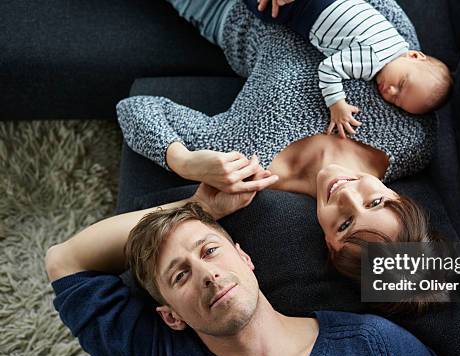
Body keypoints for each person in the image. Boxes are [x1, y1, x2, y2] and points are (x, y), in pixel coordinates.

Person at [117, 0, 443, 310]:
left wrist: (185, 162)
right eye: (375, 203)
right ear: (396, 196)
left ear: (330, 244)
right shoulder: (412, 136)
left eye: (344, 224)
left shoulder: (249, 170)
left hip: (223, 12)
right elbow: (388, 27)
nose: (347, 195)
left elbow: (134, 110)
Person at [45, 185, 460, 356]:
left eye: (210, 251)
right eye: (180, 277)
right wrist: (200, 207)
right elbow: (64, 260)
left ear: (246, 258)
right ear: (170, 316)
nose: (208, 276)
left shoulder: (373, 344)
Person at [246, 0, 453, 137]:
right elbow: (328, 69)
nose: (390, 92)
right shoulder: (373, 61)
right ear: (415, 55)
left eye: (398, 102)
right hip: (304, 10)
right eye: (401, 84)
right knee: (266, 10)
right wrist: (337, 105)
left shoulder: (397, 40)